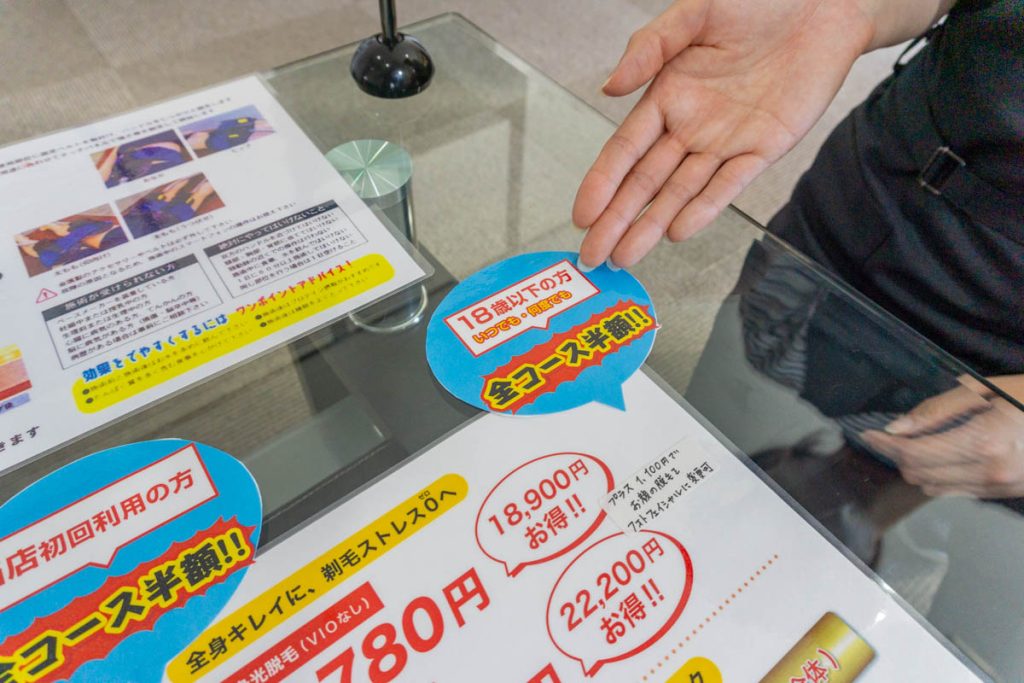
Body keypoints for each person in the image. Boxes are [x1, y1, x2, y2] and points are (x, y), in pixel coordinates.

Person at [573, 0, 1024, 497]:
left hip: (993, 369)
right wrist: (843, 12)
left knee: (859, 513)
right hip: (860, 197)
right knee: (703, 451)